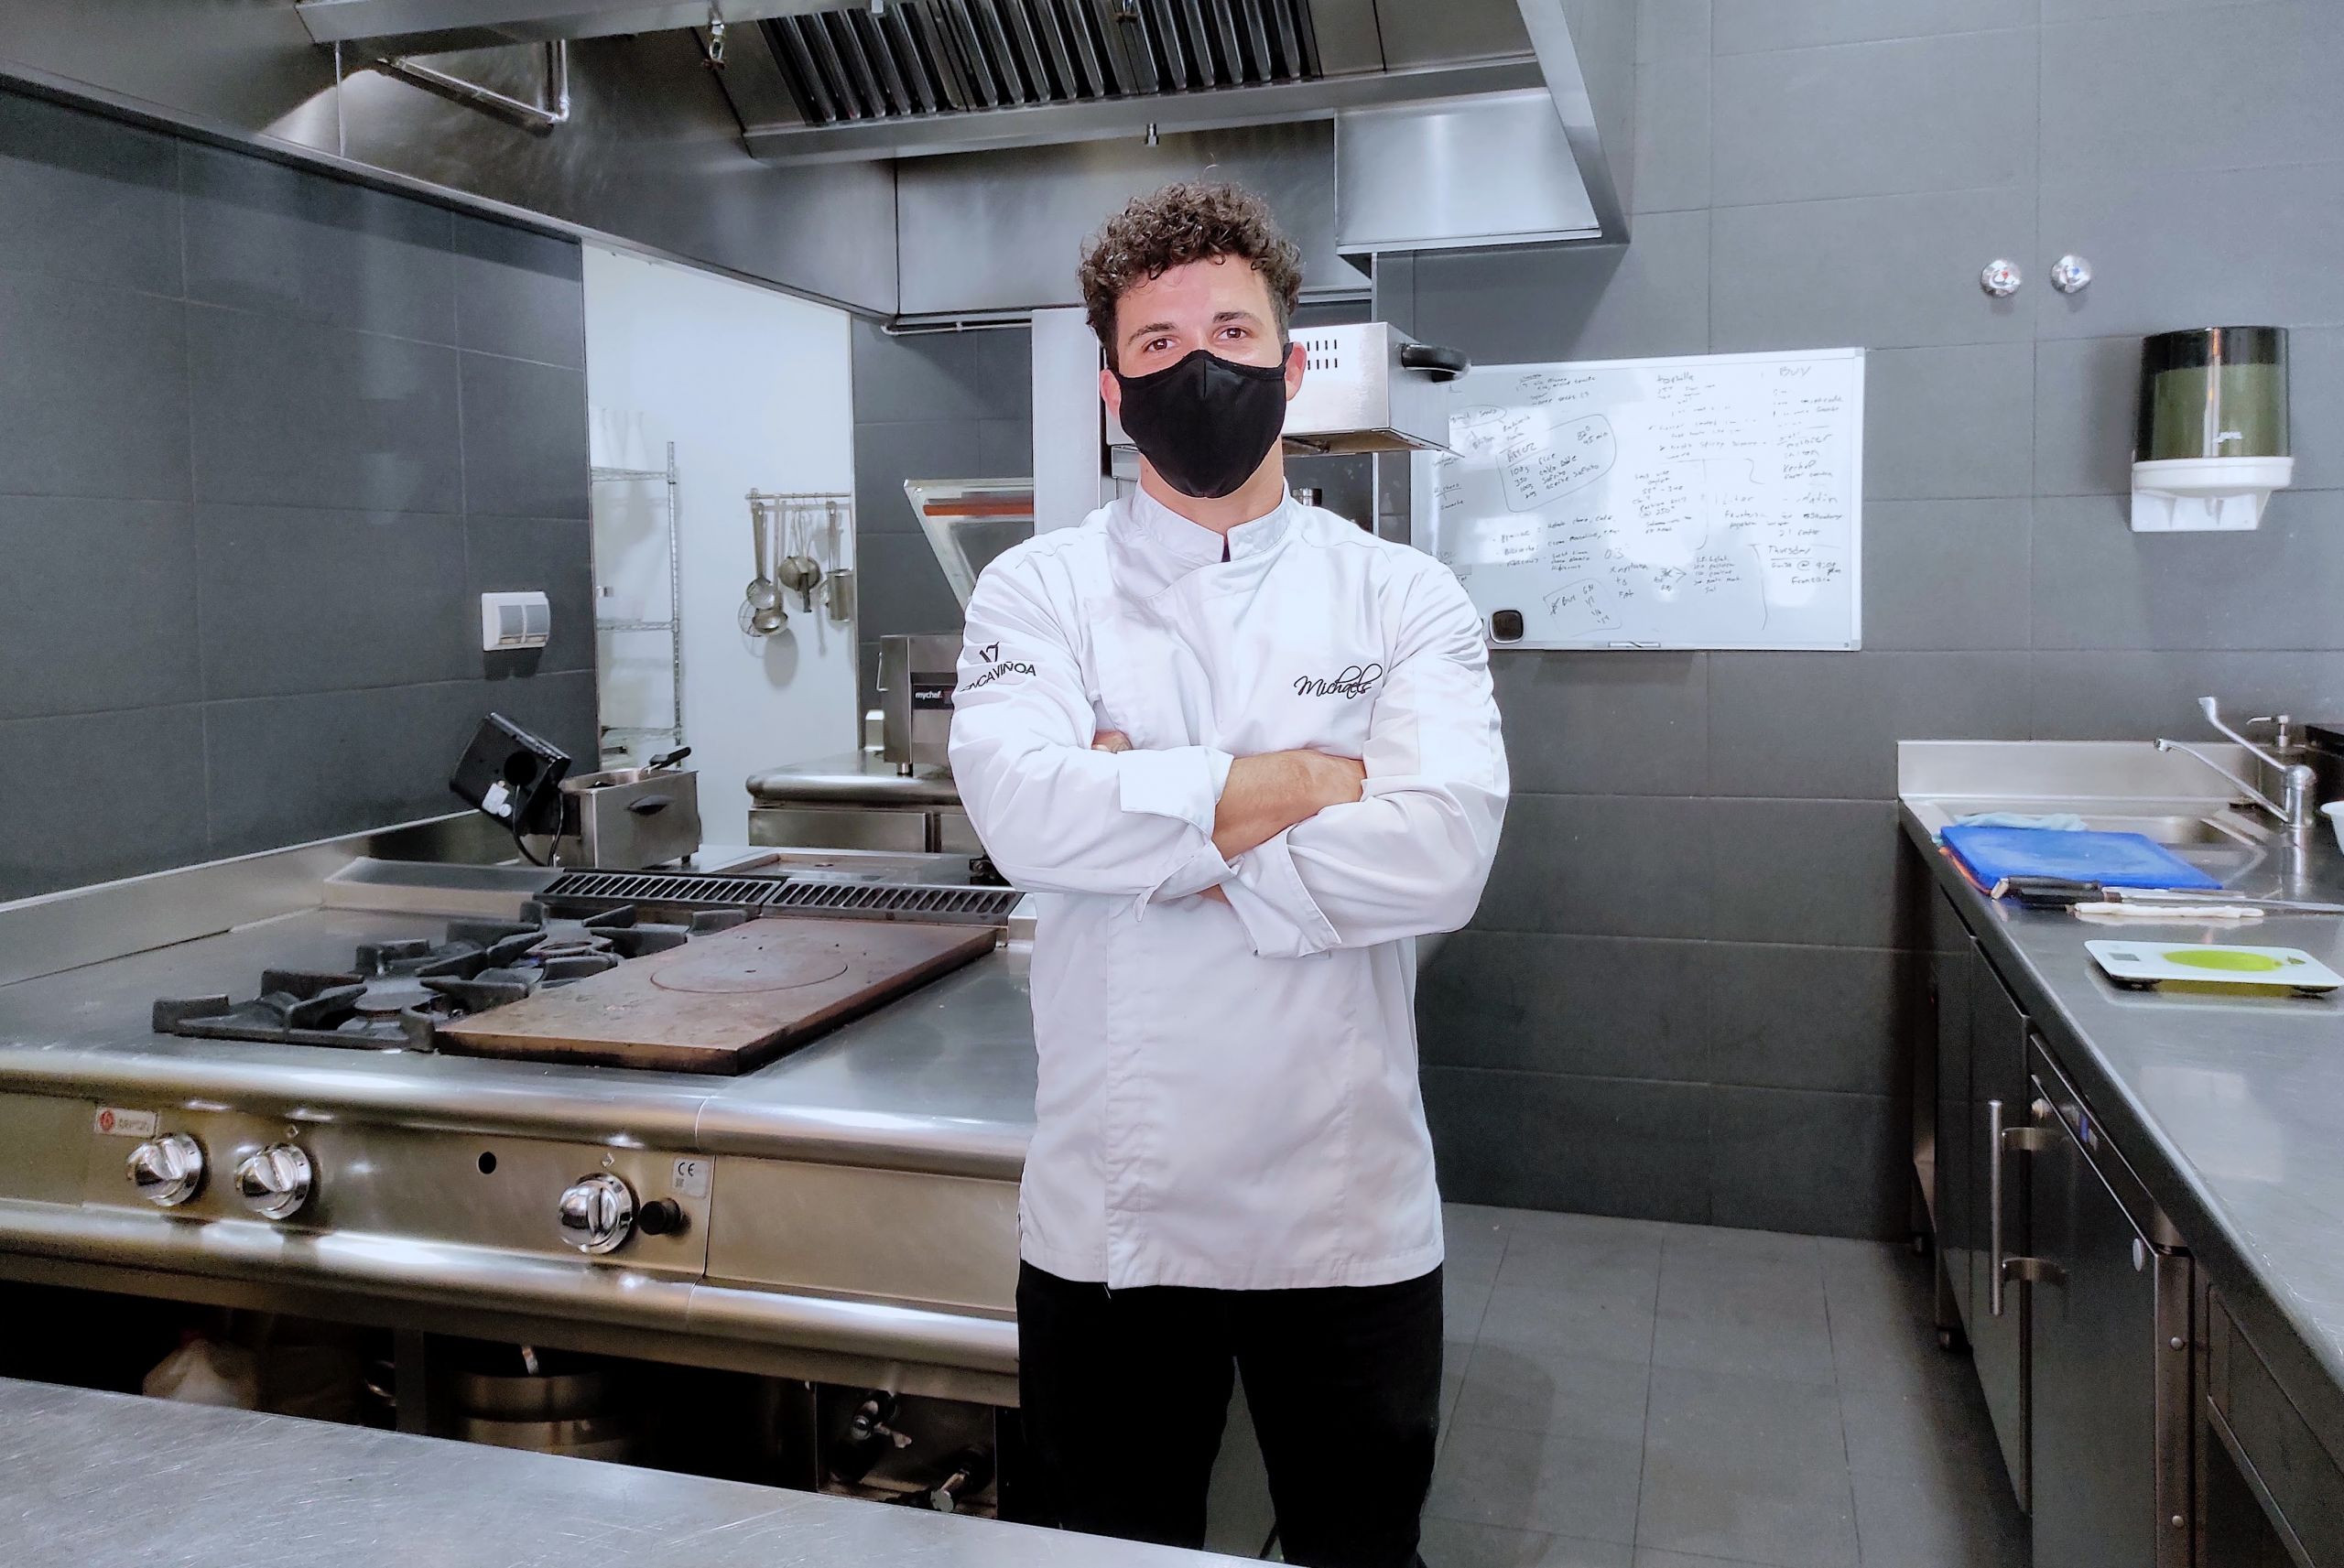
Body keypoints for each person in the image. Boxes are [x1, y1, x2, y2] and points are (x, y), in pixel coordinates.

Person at [947, 180, 1509, 1568]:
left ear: (1290, 360)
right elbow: (1026, 813)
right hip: (1112, 1221)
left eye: (1232, 330)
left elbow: (1445, 852)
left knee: (1360, 1548)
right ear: (1109, 387)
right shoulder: (1036, 592)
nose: (1199, 364)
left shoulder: (1404, 595)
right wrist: (1311, 779)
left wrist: (1157, 827)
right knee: (1105, 1550)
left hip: (1347, 1209)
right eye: (1156, 344)